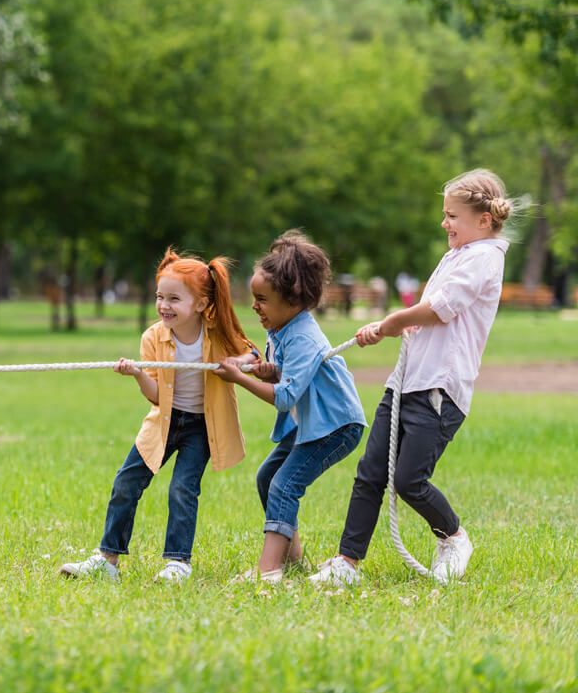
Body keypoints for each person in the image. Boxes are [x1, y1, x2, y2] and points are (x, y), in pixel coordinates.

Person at [311, 169, 516, 586]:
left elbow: (443, 307)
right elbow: (434, 316)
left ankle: (454, 537)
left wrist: (391, 321)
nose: (445, 223)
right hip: (406, 383)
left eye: (452, 216)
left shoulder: (485, 257)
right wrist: (404, 326)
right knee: (370, 472)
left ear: (483, 220)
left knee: (408, 480)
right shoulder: (459, 253)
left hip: (440, 389)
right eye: (445, 215)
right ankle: (346, 565)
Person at [58, 250, 259, 583]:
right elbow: (156, 396)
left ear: (199, 303)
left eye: (174, 298)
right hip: (164, 423)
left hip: (200, 427)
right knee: (126, 483)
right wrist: (138, 374)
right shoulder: (153, 337)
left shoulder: (216, 331)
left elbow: (251, 351)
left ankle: (177, 563)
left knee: (183, 489)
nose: (164, 305)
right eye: (159, 297)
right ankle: (107, 560)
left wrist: (237, 363)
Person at [212, 230, 366, 584]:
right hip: (311, 421)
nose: (254, 306)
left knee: (284, 484)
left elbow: (285, 397)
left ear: (293, 301)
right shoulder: (282, 327)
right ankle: (293, 561)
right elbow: (292, 377)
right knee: (269, 477)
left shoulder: (302, 335)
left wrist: (240, 379)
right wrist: (271, 371)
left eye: (262, 299)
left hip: (335, 426)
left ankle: (268, 571)